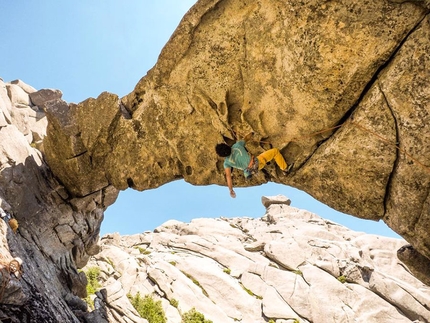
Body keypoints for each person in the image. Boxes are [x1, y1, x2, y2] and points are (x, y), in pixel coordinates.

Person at [215, 133, 293, 198]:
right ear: (226, 146)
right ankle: (285, 169)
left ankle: (262, 165)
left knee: (262, 159)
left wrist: (231, 189)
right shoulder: (237, 146)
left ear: (222, 155)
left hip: (251, 170)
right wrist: (252, 133)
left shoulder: (227, 162)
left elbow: (228, 176)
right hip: (257, 161)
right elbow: (246, 138)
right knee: (275, 152)